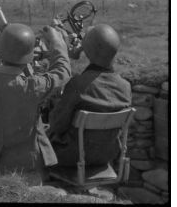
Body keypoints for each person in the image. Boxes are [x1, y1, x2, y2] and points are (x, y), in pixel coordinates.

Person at [0, 23, 71, 184]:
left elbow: (4, 78)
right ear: (28, 57)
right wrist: (57, 42)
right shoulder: (32, 87)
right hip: (25, 167)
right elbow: (62, 72)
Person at [48, 23, 132, 167]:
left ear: (87, 51)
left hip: (72, 157)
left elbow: (57, 125)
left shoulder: (77, 84)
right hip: (107, 156)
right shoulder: (125, 87)